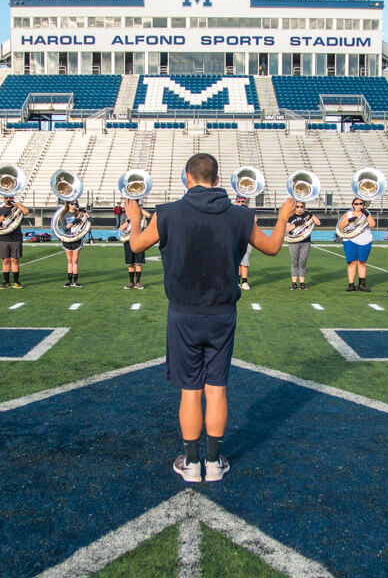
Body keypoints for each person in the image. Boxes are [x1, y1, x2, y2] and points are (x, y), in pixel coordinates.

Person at [125, 153, 296, 483]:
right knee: (216, 389)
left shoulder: (167, 213)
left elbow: (136, 244)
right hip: (222, 314)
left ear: (187, 178)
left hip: (183, 314)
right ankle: (214, 462)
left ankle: (191, 463)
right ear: (218, 180)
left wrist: (134, 217)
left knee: (190, 391)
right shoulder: (241, 215)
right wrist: (284, 216)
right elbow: (273, 247)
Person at [337, 197, 376, 292]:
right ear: (353, 205)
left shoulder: (367, 214)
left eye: (361, 204)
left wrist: (366, 214)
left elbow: (373, 224)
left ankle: (362, 284)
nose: (359, 206)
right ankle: (351, 284)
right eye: (356, 204)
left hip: (365, 240)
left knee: (362, 262)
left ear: (363, 205)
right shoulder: (348, 214)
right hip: (351, 240)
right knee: (352, 262)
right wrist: (350, 221)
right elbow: (340, 226)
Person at [0, 195, 28, 289]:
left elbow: (26, 211)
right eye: (6, 198)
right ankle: (6, 282)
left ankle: (16, 281)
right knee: (5, 260)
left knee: (15, 260)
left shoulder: (17, 209)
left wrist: (17, 204)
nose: (8, 199)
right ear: (3, 198)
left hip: (16, 237)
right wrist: (3, 216)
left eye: (10, 198)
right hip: (3, 238)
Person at [285, 201, 321, 290]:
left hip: (306, 241)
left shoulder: (307, 215)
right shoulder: (291, 216)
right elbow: (286, 229)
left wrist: (311, 214)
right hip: (293, 241)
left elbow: (318, 223)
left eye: (301, 207)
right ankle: (294, 283)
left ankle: (302, 283)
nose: (300, 208)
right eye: (297, 207)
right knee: (294, 262)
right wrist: (296, 224)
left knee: (302, 262)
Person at [120, 204, 151, 289]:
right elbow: (121, 228)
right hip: (128, 240)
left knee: (138, 262)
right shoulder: (124, 215)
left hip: (139, 240)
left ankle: (138, 282)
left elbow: (148, 215)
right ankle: (131, 282)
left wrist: (138, 209)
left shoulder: (141, 215)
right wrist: (129, 220)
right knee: (130, 263)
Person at [60, 200, 89, 288]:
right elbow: (63, 228)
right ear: (68, 204)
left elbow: (91, 221)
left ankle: (76, 281)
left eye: (76, 203)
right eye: (72, 203)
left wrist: (87, 215)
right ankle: (69, 280)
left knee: (75, 261)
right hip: (68, 238)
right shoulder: (65, 214)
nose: (74, 205)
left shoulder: (79, 213)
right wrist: (72, 223)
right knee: (69, 261)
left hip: (77, 239)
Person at [235, 196, 252, 290]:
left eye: (242, 201)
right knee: (237, 261)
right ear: (235, 202)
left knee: (245, 261)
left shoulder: (248, 212)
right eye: (239, 201)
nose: (241, 203)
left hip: (247, 238)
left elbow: (255, 220)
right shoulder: (232, 212)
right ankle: (237, 281)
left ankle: (245, 281)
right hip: (236, 238)